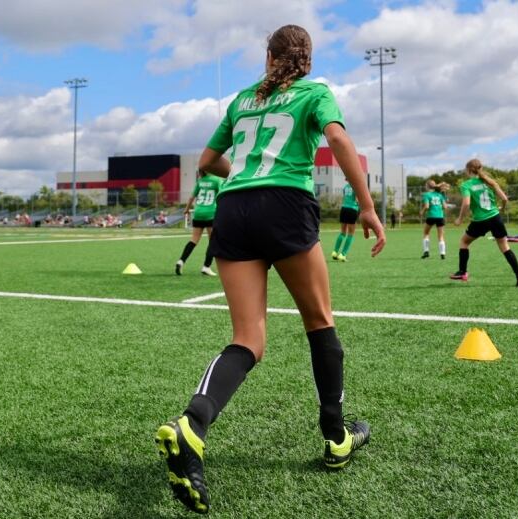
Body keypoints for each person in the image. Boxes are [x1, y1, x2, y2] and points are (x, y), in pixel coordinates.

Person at [155, 25, 386, 515]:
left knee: (248, 338)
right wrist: (367, 206)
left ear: (269, 56)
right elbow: (339, 141)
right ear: (305, 58)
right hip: (285, 204)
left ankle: (192, 425)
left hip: (233, 208)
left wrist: (244, 173)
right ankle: (336, 437)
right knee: (319, 320)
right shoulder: (315, 92)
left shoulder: (241, 100)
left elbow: (207, 161)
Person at [450, 158, 518, 286]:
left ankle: (463, 272)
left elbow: (466, 203)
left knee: (464, 241)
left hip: (480, 220)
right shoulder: (490, 182)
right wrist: (500, 208)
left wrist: (460, 219)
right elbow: (505, 199)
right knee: (505, 247)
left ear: (468, 170)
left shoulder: (466, 185)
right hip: (495, 217)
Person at [175, 170, 223, 276]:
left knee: (194, 240)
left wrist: (187, 209)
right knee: (213, 241)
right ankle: (206, 267)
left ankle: (181, 261)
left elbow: (192, 197)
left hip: (198, 213)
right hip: (211, 213)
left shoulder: (200, 181)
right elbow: (221, 195)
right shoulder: (216, 180)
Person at [420, 179, 448, 259]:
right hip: (440, 217)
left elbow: (427, 206)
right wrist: (439, 209)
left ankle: (426, 251)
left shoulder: (427, 195)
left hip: (431, 216)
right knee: (441, 236)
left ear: (427, 186)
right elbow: (445, 207)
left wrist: (422, 212)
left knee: (426, 233)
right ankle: (442, 253)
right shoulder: (440, 195)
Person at [331, 182, 359, 262]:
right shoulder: (356, 185)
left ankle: (335, 252)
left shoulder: (345, 187)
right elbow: (357, 199)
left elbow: (345, 197)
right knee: (351, 234)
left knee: (343, 232)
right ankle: (343, 254)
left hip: (344, 209)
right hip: (352, 209)